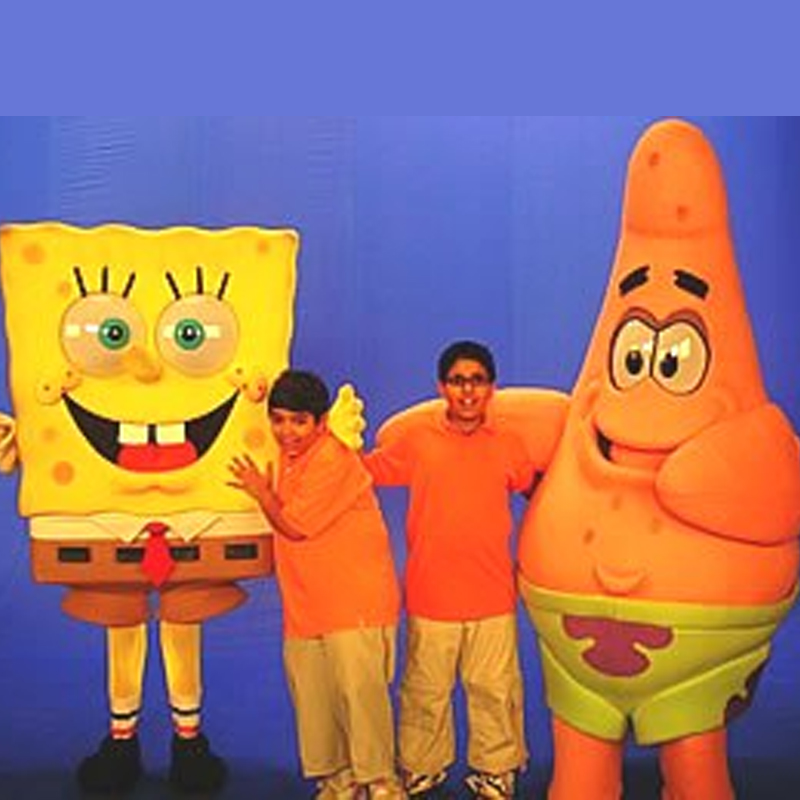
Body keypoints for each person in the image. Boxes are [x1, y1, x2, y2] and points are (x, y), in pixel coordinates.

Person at [363, 341, 536, 800]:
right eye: (458, 381)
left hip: (493, 595)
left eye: (477, 380)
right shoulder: (417, 441)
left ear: (491, 388)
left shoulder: (509, 444)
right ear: (442, 387)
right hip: (430, 594)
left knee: (495, 691)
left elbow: (538, 488)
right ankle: (423, 767)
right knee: (425, 691)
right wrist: (329, 443)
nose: (468, 390)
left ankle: (496, 771)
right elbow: (364, 473)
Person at [228, 369, 405, 800]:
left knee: (360, 696)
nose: (286, 431)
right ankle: (339, 780)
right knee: (314, 699)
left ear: (321, 422)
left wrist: (261, 493)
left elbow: (294, 526)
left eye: (299, 421)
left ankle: (380, 781)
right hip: (306, 605)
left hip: (354, 602)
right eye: (278, 419)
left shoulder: (333, 458)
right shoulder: (286, 457)